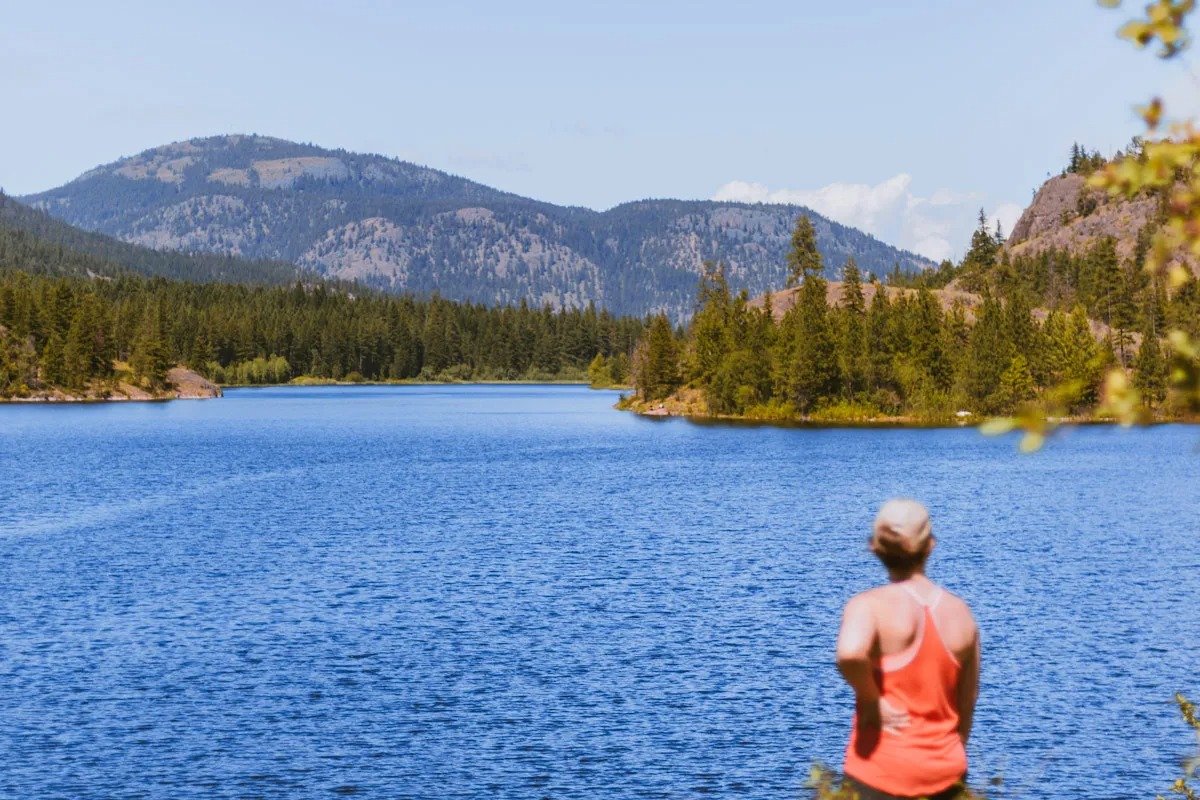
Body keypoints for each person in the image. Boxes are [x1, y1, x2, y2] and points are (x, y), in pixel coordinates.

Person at [835, 499, 980, 800]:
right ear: (930, 546)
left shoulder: (868, 606)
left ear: (875, 548)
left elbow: (849, 654)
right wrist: (951, 761)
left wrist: (872, 698)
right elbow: (967, 700)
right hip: (946, 770)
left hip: (879, 773)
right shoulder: (961, 613)